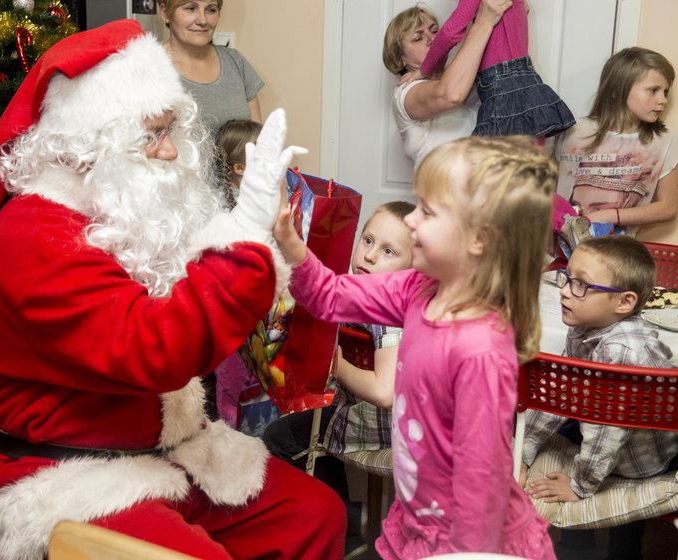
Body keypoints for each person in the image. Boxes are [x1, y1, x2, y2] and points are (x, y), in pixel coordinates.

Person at [0, 20, 346, 560]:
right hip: (70, 475)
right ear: (89, 145)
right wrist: (243, 240)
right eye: (150, 135)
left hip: (169, 449)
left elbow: (196, 302)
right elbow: (155, 348)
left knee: (313, 515)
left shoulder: (120, 216)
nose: (169, 153)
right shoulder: (37, 236)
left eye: (168, 132)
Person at [273, 135, 558, 559]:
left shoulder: (481, 350)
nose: (410, 221)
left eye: (427, 211)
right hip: (417, 518)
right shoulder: (419, 288)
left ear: (478, 238)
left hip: (465, 542)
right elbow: (332, 296)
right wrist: (292, 243)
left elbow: (480, 482)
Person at [520, 235, 678, 560]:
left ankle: (618, 551)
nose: (565, 290)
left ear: (624, 302)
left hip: (637, 458)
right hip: (604, 427)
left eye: (581, 285)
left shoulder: (621, 351)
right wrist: (522, 452)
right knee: (536, 421)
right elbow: (561, 391)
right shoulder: (585, 323)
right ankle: (579, 545)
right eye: (568, 278)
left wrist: (580, 485)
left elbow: (607, 431)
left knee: (625, 530)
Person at [262, 201, 414, 516]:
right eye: (368, 241)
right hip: (360, 407)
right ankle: (340, 516)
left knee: (278, 438)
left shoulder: (387, 309)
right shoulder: (359, 287)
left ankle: (332, 519)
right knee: (299, 424)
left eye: (389, 252)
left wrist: (337, 364)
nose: (370, 255)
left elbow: (385, 392)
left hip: (387, 422)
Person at [555, 47, 677, 235]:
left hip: (616, 254)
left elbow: (668, 207)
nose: (663, 100)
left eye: (665, 91)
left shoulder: (665, 140)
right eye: (653, 90)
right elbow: (539, 187)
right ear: (617, 90)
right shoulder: (573, 131)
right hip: (557, 249)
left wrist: (610, 216)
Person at [417, 0, 575, 139]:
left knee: (496, 161)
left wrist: (424, 69)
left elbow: (449, 33)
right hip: (527, 78)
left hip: (501, 83)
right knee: (529, 154)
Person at [383, 0, 511, 167]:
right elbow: (450, 94)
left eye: (434, 30)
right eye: (418, 38)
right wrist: (482, 23)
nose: (431, 39)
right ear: (400, 59)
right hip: (441, 192)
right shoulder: (405, 93)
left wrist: (509, 13)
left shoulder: (461, 72)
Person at [210, 118, 263, 426]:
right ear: (241, 168)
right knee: (232, 375)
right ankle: (230, 431)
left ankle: (252, 426)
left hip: (255, 305)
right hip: (231, 308)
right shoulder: (222, 206)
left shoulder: (260, 198)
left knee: (254, 371)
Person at [158, 0, 263, 135]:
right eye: (190, 8)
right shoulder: (148, 68)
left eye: (211, 10)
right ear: (165, 13)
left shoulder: (235, 61)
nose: (202, 20)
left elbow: (259, 140)